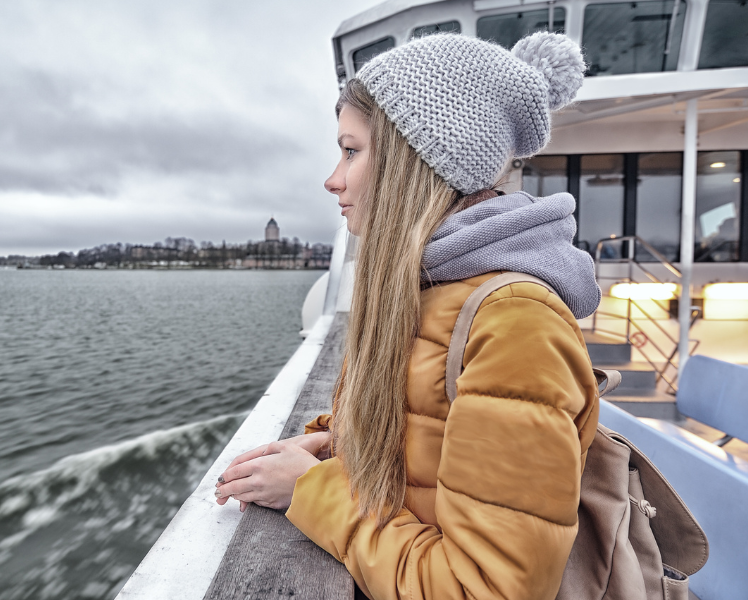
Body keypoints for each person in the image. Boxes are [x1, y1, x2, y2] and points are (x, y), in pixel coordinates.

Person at [214, 31, 602, 600]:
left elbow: (487, 589)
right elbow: (426, 440)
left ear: (409, 161)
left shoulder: (516, 324)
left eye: (351, 150)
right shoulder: (423, 287)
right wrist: (329, 444)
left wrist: (311, 491)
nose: (333, 178)